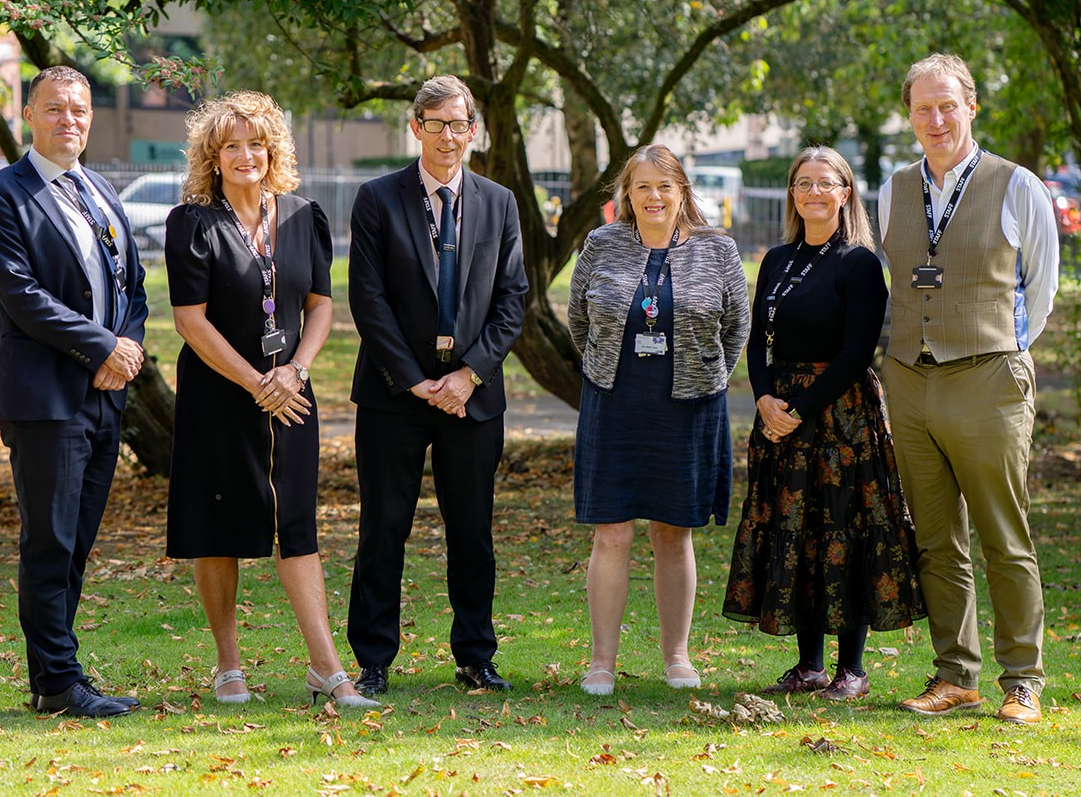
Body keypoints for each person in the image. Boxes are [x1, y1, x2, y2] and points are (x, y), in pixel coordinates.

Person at [163, 91, 378, 712]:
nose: (245, 155)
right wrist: (257, 383)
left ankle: (328, 671)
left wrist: (295, 371)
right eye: (231, 146)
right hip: (218, 393)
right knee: (217, 529)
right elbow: (190, 321)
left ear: (272, 150)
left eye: (256, 144)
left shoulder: (305, 216)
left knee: (298, 528)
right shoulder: (192, 223)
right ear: (212, 156)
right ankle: (228, 666)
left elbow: (321, 305)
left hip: (291, 395)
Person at [878, 53, 1060, 725]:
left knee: (1003, 534)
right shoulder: (893, 188)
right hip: (910, 378)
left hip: (988, 375)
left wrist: (1002, 348)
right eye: (922, 108)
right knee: (935, 538)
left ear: (971, 107)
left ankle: (1023, 681)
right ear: (909, 116)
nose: (936, 119)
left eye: (947, 105)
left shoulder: (1017, 185)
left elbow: (1040, 288)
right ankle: (955, 674)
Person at [0, 66, 148, 718]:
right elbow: (23, 298)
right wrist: (101, 348)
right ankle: (58, 680)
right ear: (28, 115)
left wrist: (125, 348)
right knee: (49, 541)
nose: (67, 119)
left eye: (78, 109)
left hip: (105, 394)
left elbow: (133, 287)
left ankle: (56, 677)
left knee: (76, 543)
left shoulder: (100, 189)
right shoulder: (0, 196)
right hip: (44, 397)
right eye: (54, 108)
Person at [345, 75, 529, 696]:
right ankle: (373, 660)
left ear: (472, 130)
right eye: (435, 124)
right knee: (383, 529)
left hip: (472, 397)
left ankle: (476, 657)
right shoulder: (377, 198)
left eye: (458, 124)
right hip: (393, 396)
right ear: (415, 127)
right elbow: (368, 300)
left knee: (472, 532)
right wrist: (415, 381)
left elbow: (512, 299)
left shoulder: (499, 202)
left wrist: (469, 374)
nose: (447, 136)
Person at [721, 146, 925, 698]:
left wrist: (799, 408)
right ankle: (808, 665)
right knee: (797, 530)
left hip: (840, 417)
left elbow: (857, 352)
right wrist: (764, 398)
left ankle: (851, 669)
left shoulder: (859, 263)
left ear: (845, 193)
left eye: (825, 183)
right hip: (780, 414)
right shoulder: (775, 259)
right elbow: (757, 341)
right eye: (803, 183)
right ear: (792, 194)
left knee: (844, 529)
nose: (813, 192)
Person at [566, 144, 751, 697]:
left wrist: (706, 373)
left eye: (664, 186)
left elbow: (736, 328)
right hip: (614, 400)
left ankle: (677, 657)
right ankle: (601, 663)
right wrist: (605, 364)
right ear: (627, 193)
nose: (654, 196)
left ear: (682, 191)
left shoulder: (717, 249)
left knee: (673, 532)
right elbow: (578, 319)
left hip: (688, 406)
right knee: (612, 531)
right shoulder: (601, 244)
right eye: (642, 186)